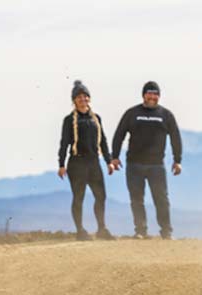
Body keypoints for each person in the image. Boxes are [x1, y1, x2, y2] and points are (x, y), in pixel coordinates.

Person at [110, 81, 183, 240]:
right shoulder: (132, 113)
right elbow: (119, 134)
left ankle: (166, 232)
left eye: (155, 94)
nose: (152, 97)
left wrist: (177, 160)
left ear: (159, 96)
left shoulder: (166, 115)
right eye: (149, 93)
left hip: (156, 165)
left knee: (161, 199)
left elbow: (175, 137)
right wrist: (114, 157)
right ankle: (140, 231)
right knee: (136, 200)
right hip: (134, 164)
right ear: (143, 95)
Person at [57, 80, 114, 241]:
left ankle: (101, 229)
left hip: (94, 162)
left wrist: (108, 161)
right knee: (78, 197)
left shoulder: (96, 119)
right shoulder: (69, 120)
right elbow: (64, 142)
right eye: (79, 97)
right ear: (74, 100)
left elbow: (103, 141)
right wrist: (61, 164)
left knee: (101, 196)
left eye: (85, 96)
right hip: (77, 163)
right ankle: (80, 231)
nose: (83, 99)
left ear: (89, 98)